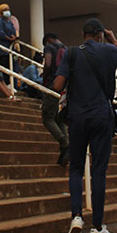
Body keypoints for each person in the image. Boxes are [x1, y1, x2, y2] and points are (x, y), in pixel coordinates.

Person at [53, 18, 117, 233]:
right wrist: (113, 40)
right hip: (101, 116)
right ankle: (97, 228)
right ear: (100, 34)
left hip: (77, 117)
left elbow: (57, 85)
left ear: (83, 34)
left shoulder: (72, 53)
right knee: (99, 171)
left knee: (76, 168)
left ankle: (76, 217)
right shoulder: (109, 50)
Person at [42, 33, 70, 166]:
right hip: (65, 87)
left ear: (47, 41)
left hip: (53, 84)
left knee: (47, 118)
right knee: (59, 118)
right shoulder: (67, 49)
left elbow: (47, 64)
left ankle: (65, 143)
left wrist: (44, 79)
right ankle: (65, 148)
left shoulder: (49, 47)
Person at [0, 3, 19, 100]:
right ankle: (6, 86)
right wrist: (8, 38)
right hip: (2, 49)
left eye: (8, 9)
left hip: (10, 49)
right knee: (4, 66)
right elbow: (0, 32)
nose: (7, 11)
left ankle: (11, 85)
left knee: (11, 66)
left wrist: (14, 38)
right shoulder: (0, 21)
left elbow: (13, 31)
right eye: (4, 9)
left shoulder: (10, 22)